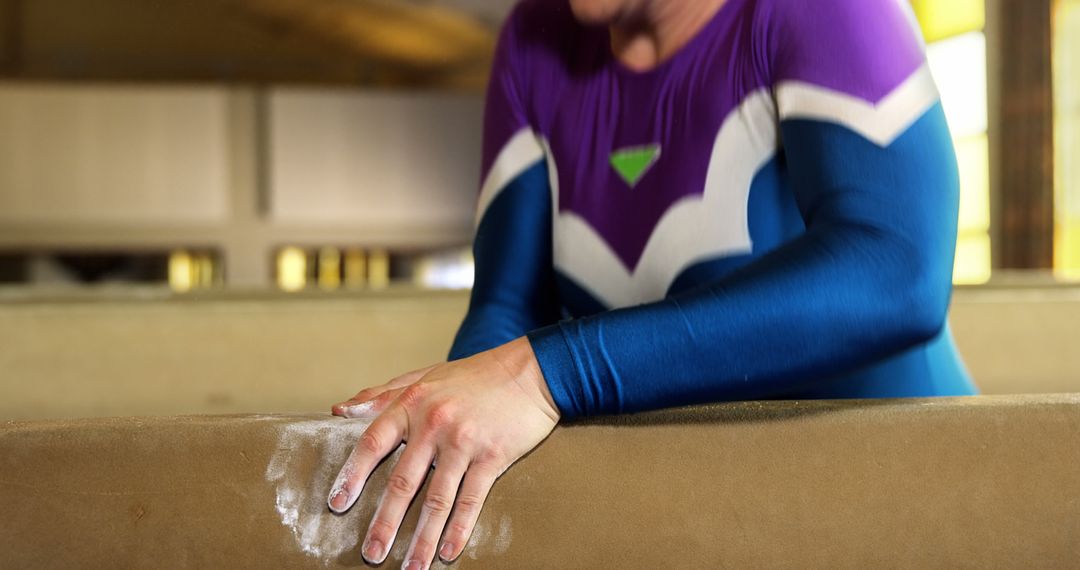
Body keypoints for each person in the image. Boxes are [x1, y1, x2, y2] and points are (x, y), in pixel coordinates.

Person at [325, 0, 979, 567]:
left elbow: (897, 271)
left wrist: (548, 374)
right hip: (701, 523)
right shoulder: (534, 38)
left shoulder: (815, 11)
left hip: (911, 505)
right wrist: (454, 436)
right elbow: (507, 307)